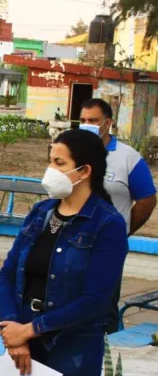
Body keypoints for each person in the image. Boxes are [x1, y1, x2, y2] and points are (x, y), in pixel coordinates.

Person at [0, 128, 128, 376]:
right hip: (24, 343)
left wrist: (30, 330)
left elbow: (95, 301)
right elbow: (8, 274)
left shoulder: (106, 224)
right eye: (50, 160)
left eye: (59, 163)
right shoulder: (41, 213)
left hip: (73, 348)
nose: (49, 170)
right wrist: (14, 331)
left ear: (84, 171)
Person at [78, 98, 156, 333]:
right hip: (69, 241)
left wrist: (122, 230)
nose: (87, 125)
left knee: (103, 307)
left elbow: (147, 200)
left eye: (93, 120)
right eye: (82, 120)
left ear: (108, 123)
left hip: (106, 246)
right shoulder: (72, 151)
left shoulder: (128, 158)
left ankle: (106, 349)